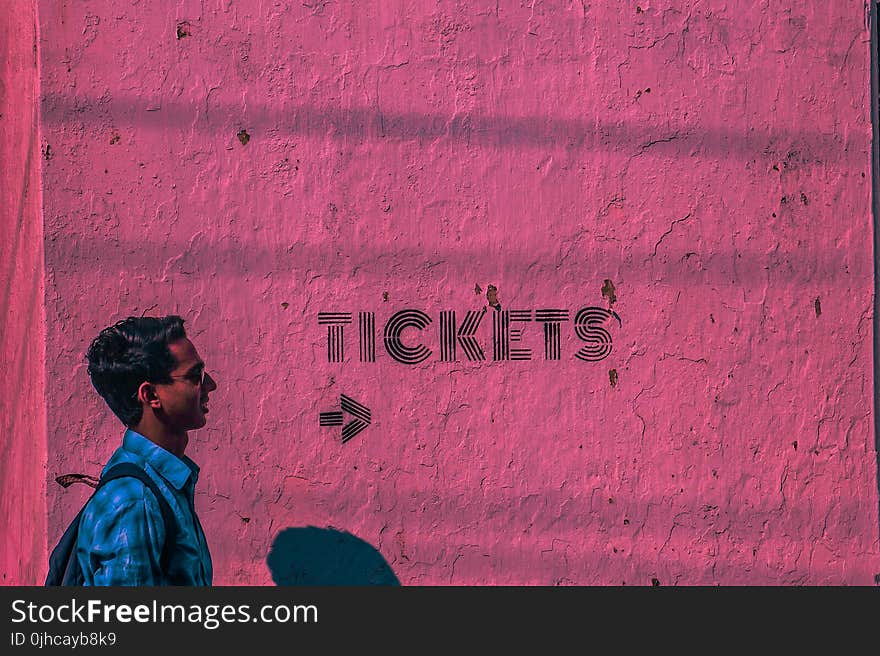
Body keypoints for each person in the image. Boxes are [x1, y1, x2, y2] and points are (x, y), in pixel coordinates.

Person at [77, 315, 217, 585]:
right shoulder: (135, 501)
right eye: (194, 376)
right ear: (151, 395)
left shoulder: (158, 482)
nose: (210, 385)